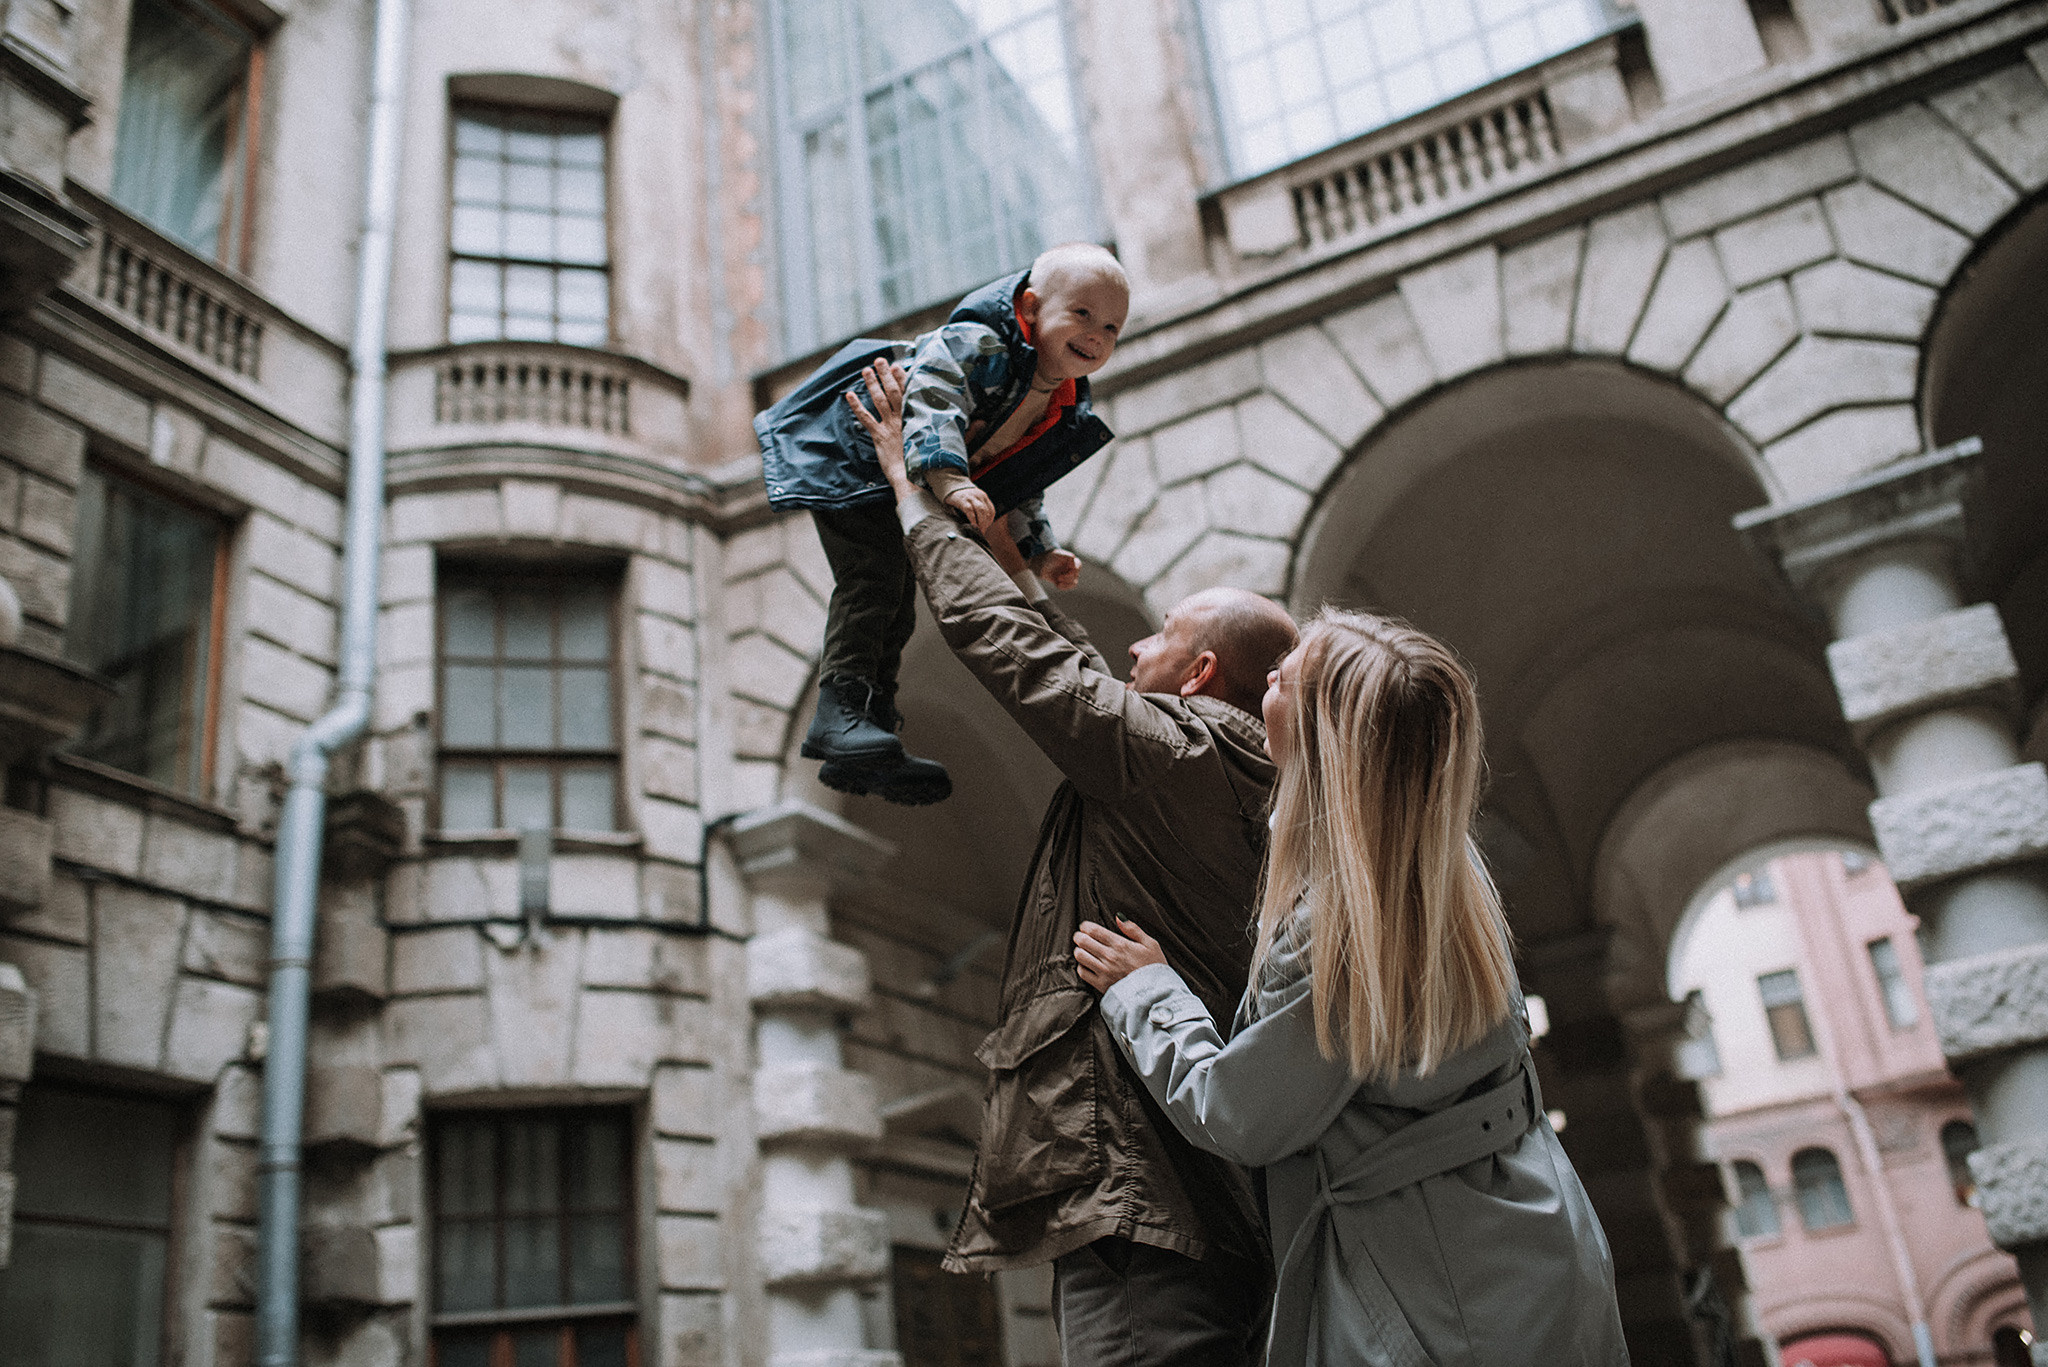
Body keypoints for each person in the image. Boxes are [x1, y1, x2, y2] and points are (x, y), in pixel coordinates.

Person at [843, 359, 1300, 1365]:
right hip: (1197, 1199)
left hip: (1142, 1199)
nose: (1134, 649)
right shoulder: (1230, 777)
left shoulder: (1175, 755)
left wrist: (911, 497)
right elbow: (1083, 677)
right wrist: (1010, 559)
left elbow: (1022, 655)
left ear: (1200, 675)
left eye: (1161, 637)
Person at [1074, 610, 1629, 1367]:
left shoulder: (1336, 932)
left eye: (1284, 680)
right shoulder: (1442, 865)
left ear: (1323, 740)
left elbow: (1236, 1114)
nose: (1269, 675)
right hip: (1538, 1252)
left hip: (1433, 1307)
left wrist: (1147, 991)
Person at [754, 243, 1129, 805]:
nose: (1096, 335)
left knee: (897, 595)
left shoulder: (1060, 398)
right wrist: (950, 479)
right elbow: (933, 397)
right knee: (872, 580)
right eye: (1082, 314)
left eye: (1112, 328)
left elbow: (1020, 478)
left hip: (897, 470)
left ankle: (866, 731)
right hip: (853, 450)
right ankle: (841, 712)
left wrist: (1040, 550)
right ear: (1030, 307)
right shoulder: (982, 341)